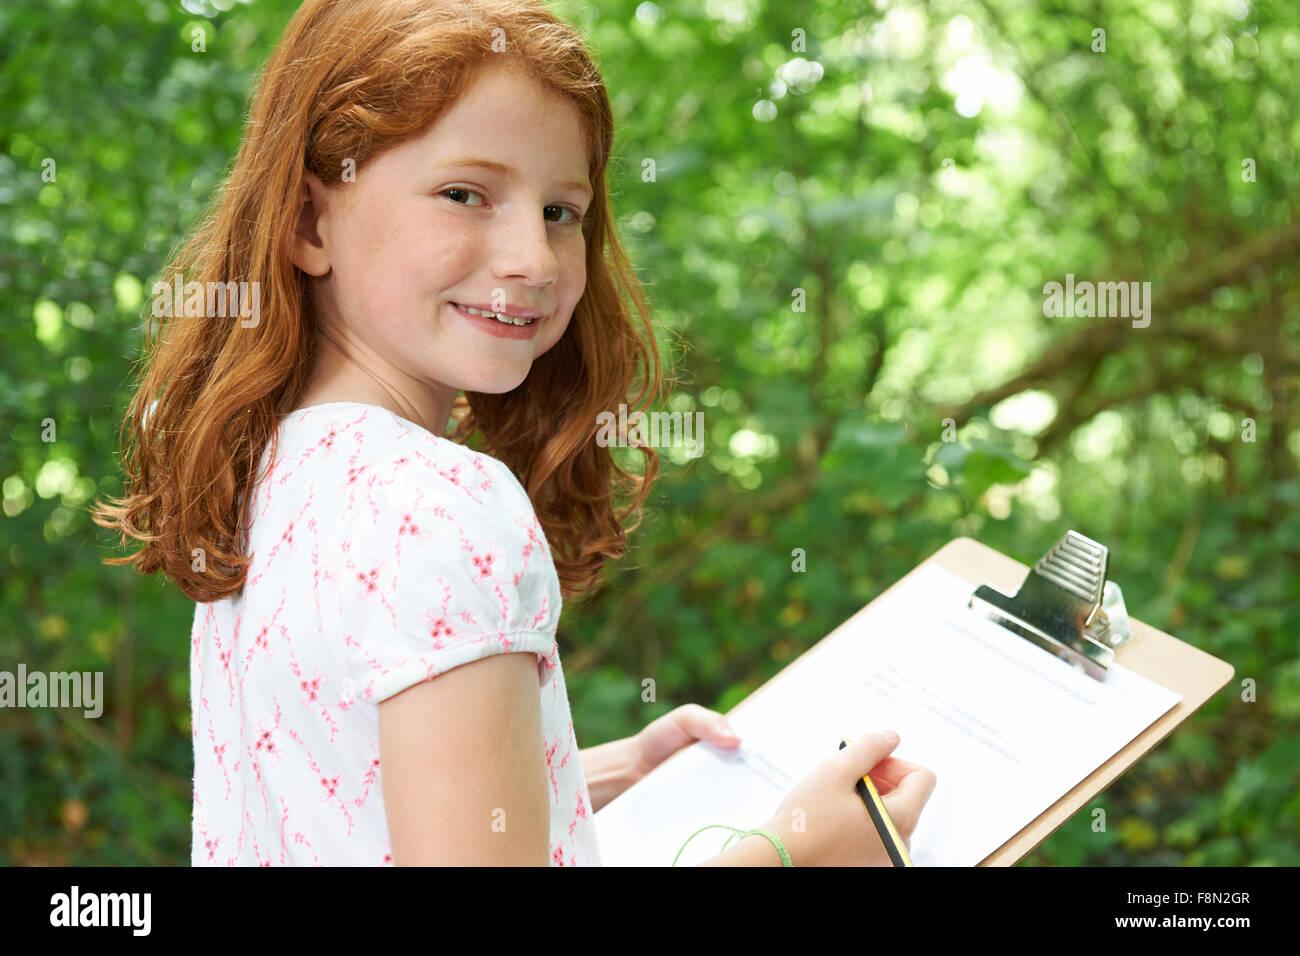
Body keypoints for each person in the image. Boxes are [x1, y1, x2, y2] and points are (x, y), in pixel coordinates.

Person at [95, 0, 935, 866]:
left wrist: (604, 771)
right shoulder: (440, 505)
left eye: (561, 212)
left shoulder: (270, 476)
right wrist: (797, 853)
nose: (532, 258)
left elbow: (346, 784)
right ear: (312, 222)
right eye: (465, 194)